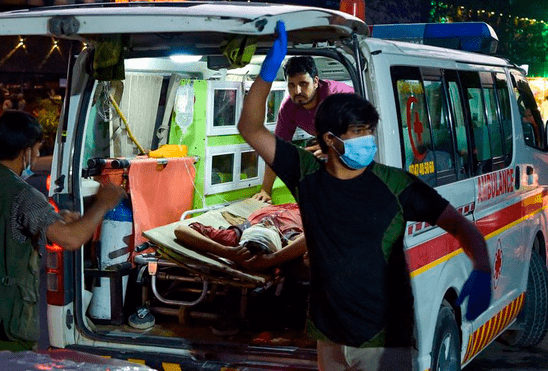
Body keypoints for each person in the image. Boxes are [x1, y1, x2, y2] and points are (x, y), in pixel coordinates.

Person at [237, 21, 492, 371]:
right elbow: (250, 128)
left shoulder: (396, 185)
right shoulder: (307, 177)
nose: (366, 140)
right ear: (330, 139)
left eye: (368, 131)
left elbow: (461, 225)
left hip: (382, 340)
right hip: (328, 335)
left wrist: (481, 267)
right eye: (357, 133)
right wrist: (267, 72)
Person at [0, 110, 126, 358]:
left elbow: (0, 232)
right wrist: (103, 204)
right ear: (26, 152)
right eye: (36, 149)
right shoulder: (22, 194)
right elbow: (71, 239)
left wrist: (59, 221)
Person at [252, 56, 354, 203]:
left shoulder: (337, 97)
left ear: (316, 82)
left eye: (303, 84)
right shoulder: (288, 108)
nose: (297, 90)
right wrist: (265, 190)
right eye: (291, 85)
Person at [174, 203, 306, 270]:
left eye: (261, 225)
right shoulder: (291, 241)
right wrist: (274, 258)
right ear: (279, 243)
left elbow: (181, 231)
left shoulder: (233, 237)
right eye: (266, 227)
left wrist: (223, 251)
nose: (266, 221)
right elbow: (310, 239)